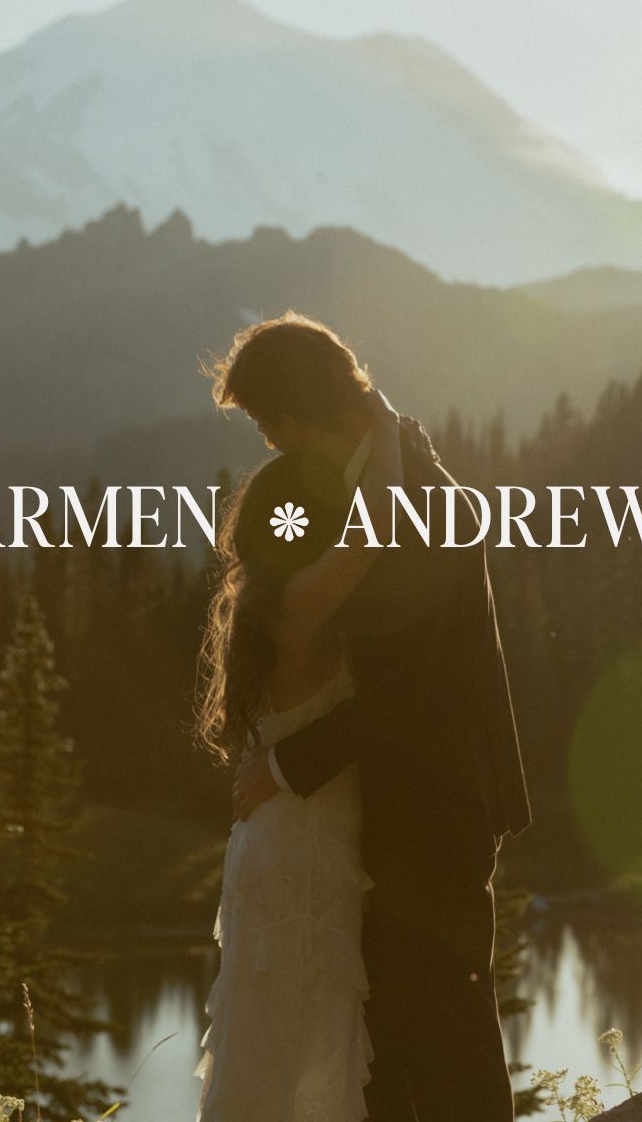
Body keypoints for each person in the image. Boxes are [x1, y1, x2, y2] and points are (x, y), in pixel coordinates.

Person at [212, 311, 532, 1122]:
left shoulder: (426, 502)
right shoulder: (377, 478)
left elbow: (407, 697)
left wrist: (285, 767)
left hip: (434, 803)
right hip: (389, 804)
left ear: (292, 412)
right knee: (382, 1034)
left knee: (448, 1028)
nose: (269, 442)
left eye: (264, 421)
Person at [193, 374, 405, 1121]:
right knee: (305, 1043)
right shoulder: (306, 604)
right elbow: (377, 532)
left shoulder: (257, 603)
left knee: (263, 1038)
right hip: (306, 856)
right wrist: (384, 431)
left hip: (273, 844)